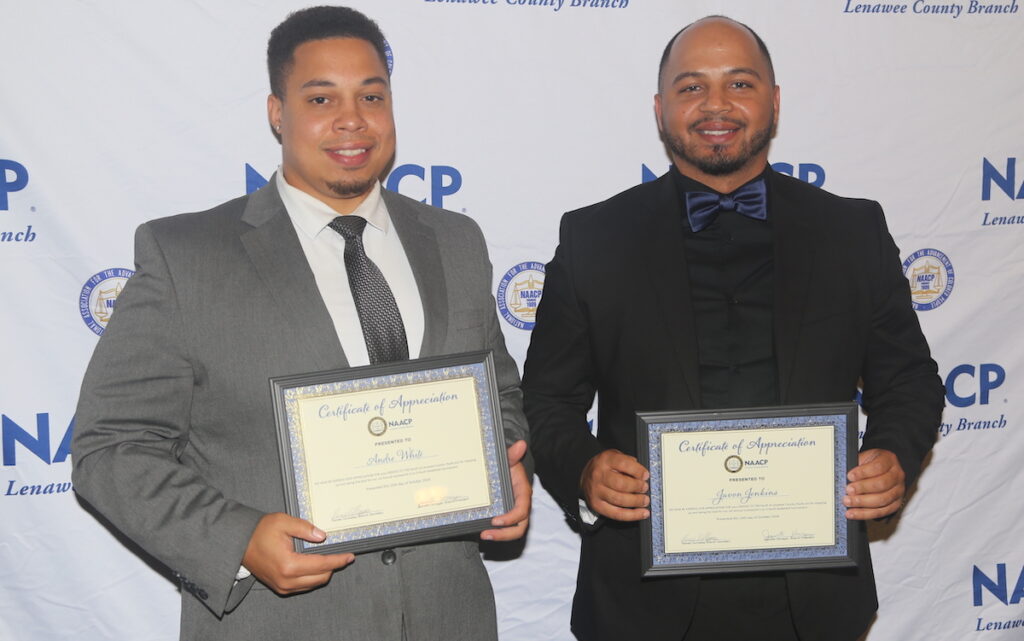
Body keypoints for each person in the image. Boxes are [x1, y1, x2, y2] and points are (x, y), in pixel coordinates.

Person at [71, 6, 531, 641]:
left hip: (447, 617)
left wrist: (507, 466)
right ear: (277, 113)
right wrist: (238, 540)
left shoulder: (455, 241)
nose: (352, 119)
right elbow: (111, 447)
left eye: (372, 95)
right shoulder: (187, 257)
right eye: (322, 97)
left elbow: (498, 390)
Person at [522, 15, 943, 641]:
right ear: (661, 108)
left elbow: (909, 379)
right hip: (640, 602)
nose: (715, 105)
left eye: (740, 84)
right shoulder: (592, 239)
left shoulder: (852, 232)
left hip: (815, 602)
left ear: (774, 102)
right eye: (692, 87)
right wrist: (584, 467)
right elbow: (547, 400)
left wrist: (894, 455)